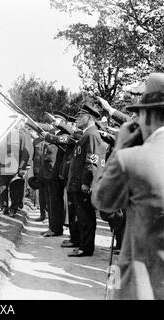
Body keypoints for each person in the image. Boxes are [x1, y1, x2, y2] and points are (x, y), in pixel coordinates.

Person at [92, 73, 164, 299]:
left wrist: (121, 148)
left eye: (138, 114)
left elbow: (102, 200)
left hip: (142, 286)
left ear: (149, 115)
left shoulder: (133, 160)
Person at [66, 103, 107, 257]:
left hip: (83, 184)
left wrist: (86, 182)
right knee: (81, 216)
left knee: (86, 217)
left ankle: (86, 247)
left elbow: (92, 161)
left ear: (88, 117)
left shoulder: (91, 134)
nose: (77, 119)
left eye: (80, 116)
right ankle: (83, 244)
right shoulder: (87, 134)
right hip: (78, 182)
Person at [0, 118, 30, 217]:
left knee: (15, 189)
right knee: (3, 188)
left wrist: (21, 168)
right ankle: (4, 207)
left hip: (14, 167)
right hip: (3, 166)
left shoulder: (21, 136)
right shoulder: (3, 134)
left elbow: (25, 153)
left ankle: (13, 209)